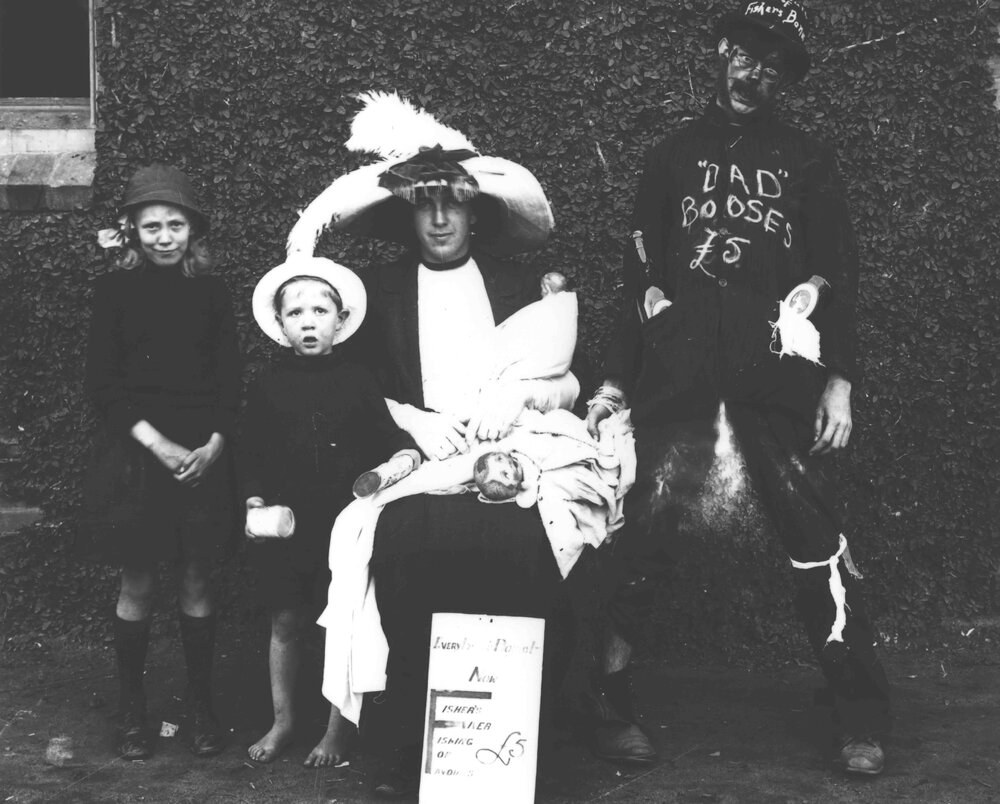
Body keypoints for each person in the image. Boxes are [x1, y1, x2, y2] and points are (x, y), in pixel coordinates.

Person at [586, 0, 892, 777]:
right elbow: (637, 276)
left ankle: (859, 718)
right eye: (741, 55)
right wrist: (618, 380)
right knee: (641, 537)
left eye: (770, 64)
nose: (751, 73)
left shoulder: (807, 158)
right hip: (679, 376)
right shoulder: (673, 154)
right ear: (720, 54)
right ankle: (611, 707)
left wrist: (841, 384)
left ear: (784, 78)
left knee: (814, 541)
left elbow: (840, 275)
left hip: (774, 377)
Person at [283, 91, 578, 797]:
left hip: (513, 453)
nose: (440, 218)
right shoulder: (379, 294)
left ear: (477, 211)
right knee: (401, 540)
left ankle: (519, 732)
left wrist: (523, 397)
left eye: (454, 202)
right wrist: (412, 420)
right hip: (423, 466)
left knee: (531, 542)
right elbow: (353, 385)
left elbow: (568, 381)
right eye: (425, 203)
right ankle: (423, 728)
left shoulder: (516, 287)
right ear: (408, 213)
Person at [82, 164, 240, 760]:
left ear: (193, 231)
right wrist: (158, 443)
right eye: (152, 226)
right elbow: (102, 386)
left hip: (202, 455)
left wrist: (216, 443)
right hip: (139, 456)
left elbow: (230, 380)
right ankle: (131, 712)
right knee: (140, 580)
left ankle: (201, 706)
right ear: (133, 231)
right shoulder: (114, 292)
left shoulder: (214, 292)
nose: (165, 236)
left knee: (198, 578)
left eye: (176, 224)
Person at [241, 256, 419, 767]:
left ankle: (336, 729)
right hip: (288, 525)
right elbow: (251, 449)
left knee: (344, 624)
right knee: (286, 620)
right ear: (280, 325)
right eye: (295, 313)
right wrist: (254, 498)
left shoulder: (359, 379)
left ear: (341, 321)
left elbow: (390, 437)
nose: (309, 320)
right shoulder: (267, 383)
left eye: (321, 310)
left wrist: (405, 453)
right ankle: (283, 720)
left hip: (345, 527)